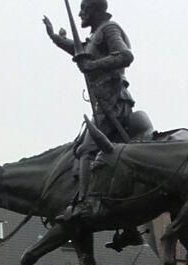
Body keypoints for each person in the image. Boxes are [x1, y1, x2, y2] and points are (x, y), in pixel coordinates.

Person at [42, 0, 144, 250]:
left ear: (97, 10)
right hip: (104, 104)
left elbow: (125, 56)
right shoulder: (95, 36)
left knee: (86, 150)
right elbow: (82, 53)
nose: (80, 14)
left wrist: (93, 66)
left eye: (84, 10)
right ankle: (129, 227)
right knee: (110, 162)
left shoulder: (109, 29)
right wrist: (56, 38)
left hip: (114, 103)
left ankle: (85, 205)